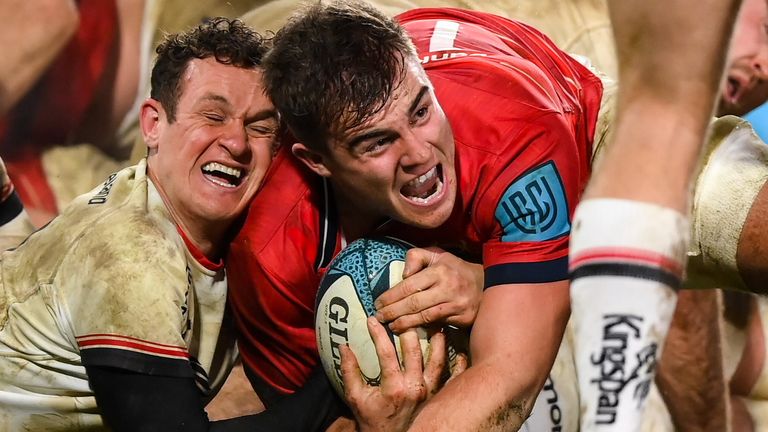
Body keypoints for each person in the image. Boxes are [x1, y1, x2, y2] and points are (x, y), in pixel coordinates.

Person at [228, 1, 605, 429]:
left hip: (556, 92)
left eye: (421, 112)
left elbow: (510, 379)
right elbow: (311, 420)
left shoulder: (516, 137)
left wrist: (492, 280)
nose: (421, 154)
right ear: (316, 161)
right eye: (377, 143)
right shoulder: (269, 254)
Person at [0, 17, 297, 431]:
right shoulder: (131, 254)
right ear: (153, 125)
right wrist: (340, 394)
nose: (237, 143)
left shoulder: (245, 228)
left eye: (260, 127)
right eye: (213, 116)